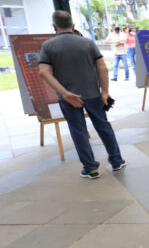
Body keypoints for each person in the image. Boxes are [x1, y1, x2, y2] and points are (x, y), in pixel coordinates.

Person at [38, 11, 125, 179]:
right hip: (93, 94)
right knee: (103, 126)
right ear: (73, 25)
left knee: (78, 131)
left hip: (68, 98)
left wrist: (65, 93)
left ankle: (91, 168)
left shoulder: (48, 46)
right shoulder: (87, 43)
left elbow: (43, 72)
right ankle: (116, 161)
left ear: (54, 26)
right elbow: (102, 68)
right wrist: (105, 92)